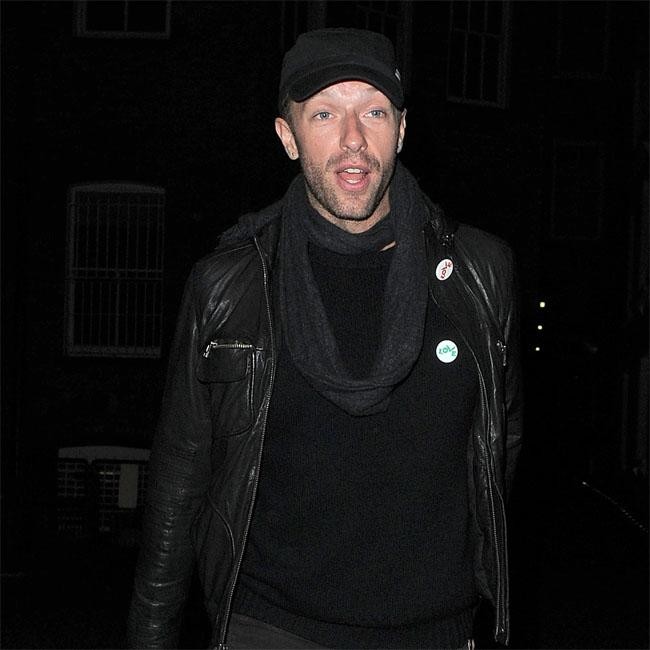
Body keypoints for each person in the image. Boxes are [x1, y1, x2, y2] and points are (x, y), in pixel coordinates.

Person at [128, 28, 522, 650]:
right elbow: (180, 478)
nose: (353, 139)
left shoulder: (480, 274)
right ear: (287, 137)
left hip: (434, 630)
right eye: (324, 114)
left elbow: (499, 446)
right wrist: (152, 635)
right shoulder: (229, 286)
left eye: (374, 112)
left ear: (402, 130)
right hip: (269, 626)